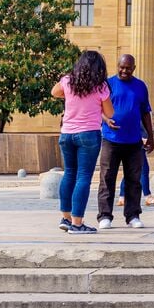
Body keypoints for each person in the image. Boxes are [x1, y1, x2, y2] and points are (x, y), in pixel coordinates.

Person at [52, 51, 114, 234]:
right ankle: (77, 223)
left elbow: (54, 92)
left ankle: (66, 218)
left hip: (67, 134)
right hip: (88, 134)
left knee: (69, 174)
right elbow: (110, 113)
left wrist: (71, 97)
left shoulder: (67, 81)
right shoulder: (100, 86)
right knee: (83, 177)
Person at [95, 54, 154, 230]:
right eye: (121, 67)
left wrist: (150, 136)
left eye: (128, 68)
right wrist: (106, 120)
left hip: (134, 140)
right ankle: (105, 216)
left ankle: (133, 215)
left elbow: (145, 112)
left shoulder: (140, 86)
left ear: (134, 68)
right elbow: (97, 107)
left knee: (134, 179)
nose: (124, 71)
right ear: (117, 66)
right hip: (110, 139)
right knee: (107, 178)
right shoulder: (107, 84)